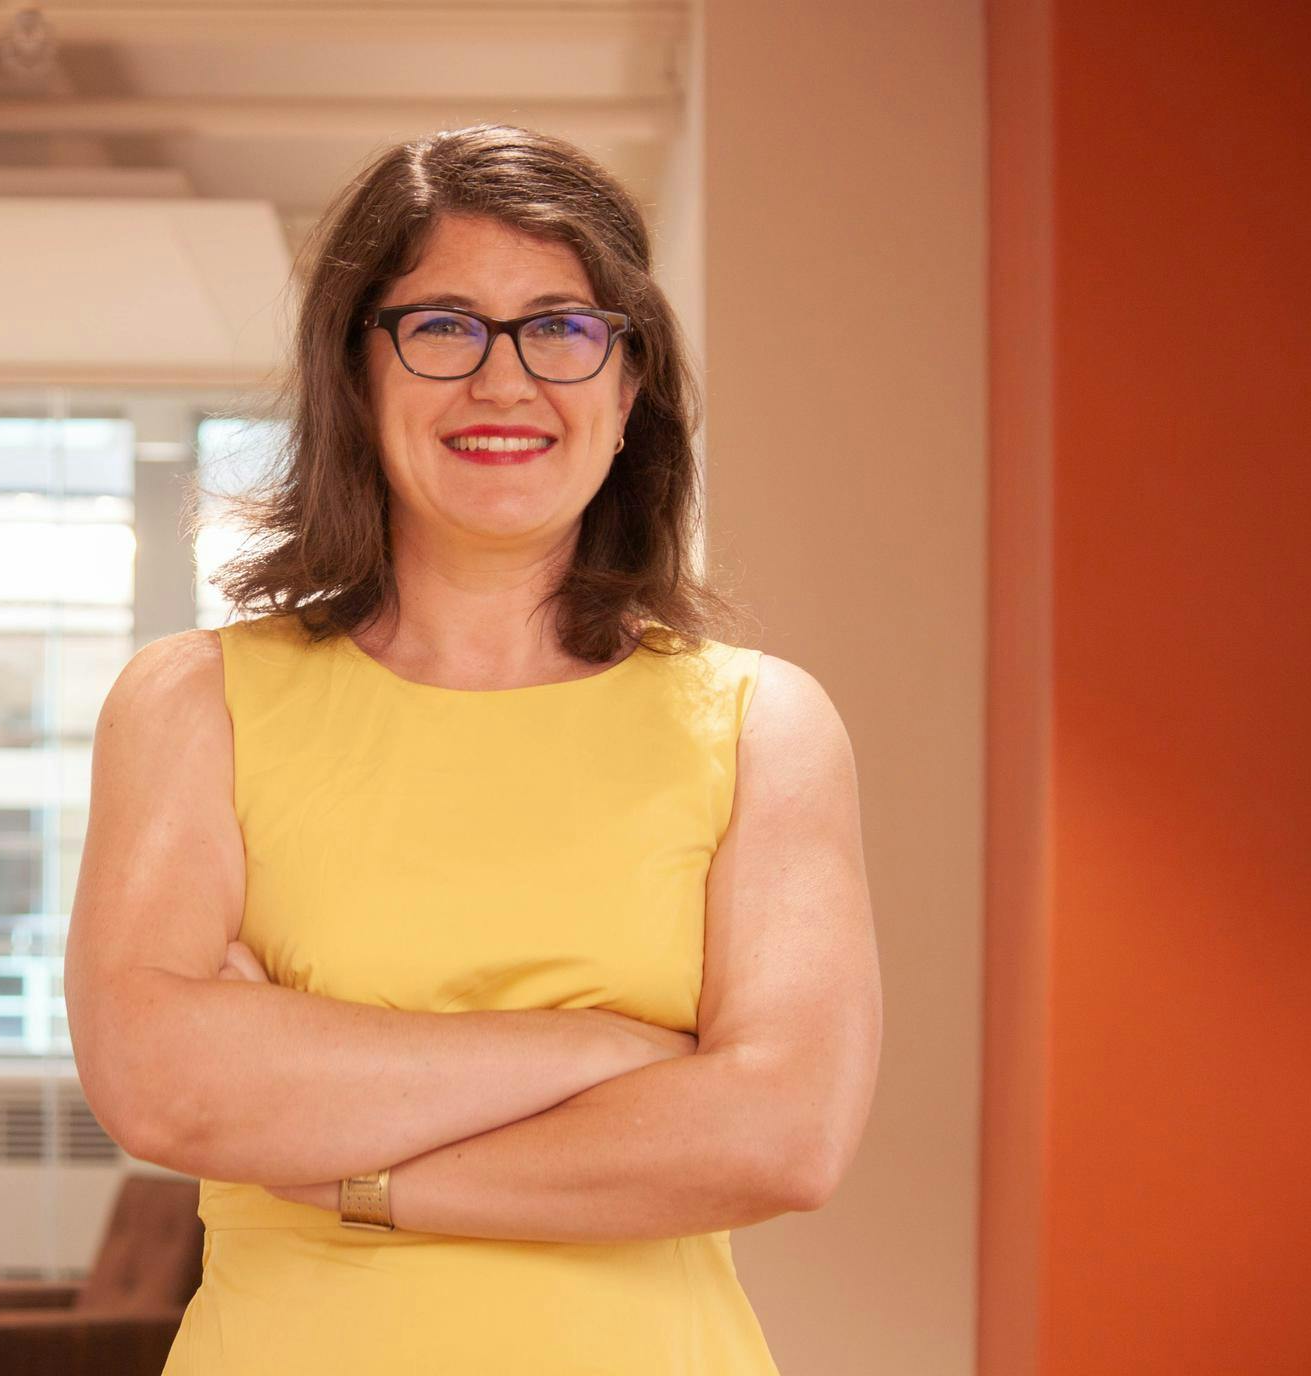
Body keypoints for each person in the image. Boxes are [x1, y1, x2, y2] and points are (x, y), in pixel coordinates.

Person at [65, 123, 881, 1374]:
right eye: (442, 326)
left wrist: (351, 1169)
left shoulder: (762, 723)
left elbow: (779, 1135)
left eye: (560, 327)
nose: (504, 382)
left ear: (628, 388)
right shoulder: (193, 701)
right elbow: (163, 1085)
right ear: (357, 373)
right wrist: (601, 1051)